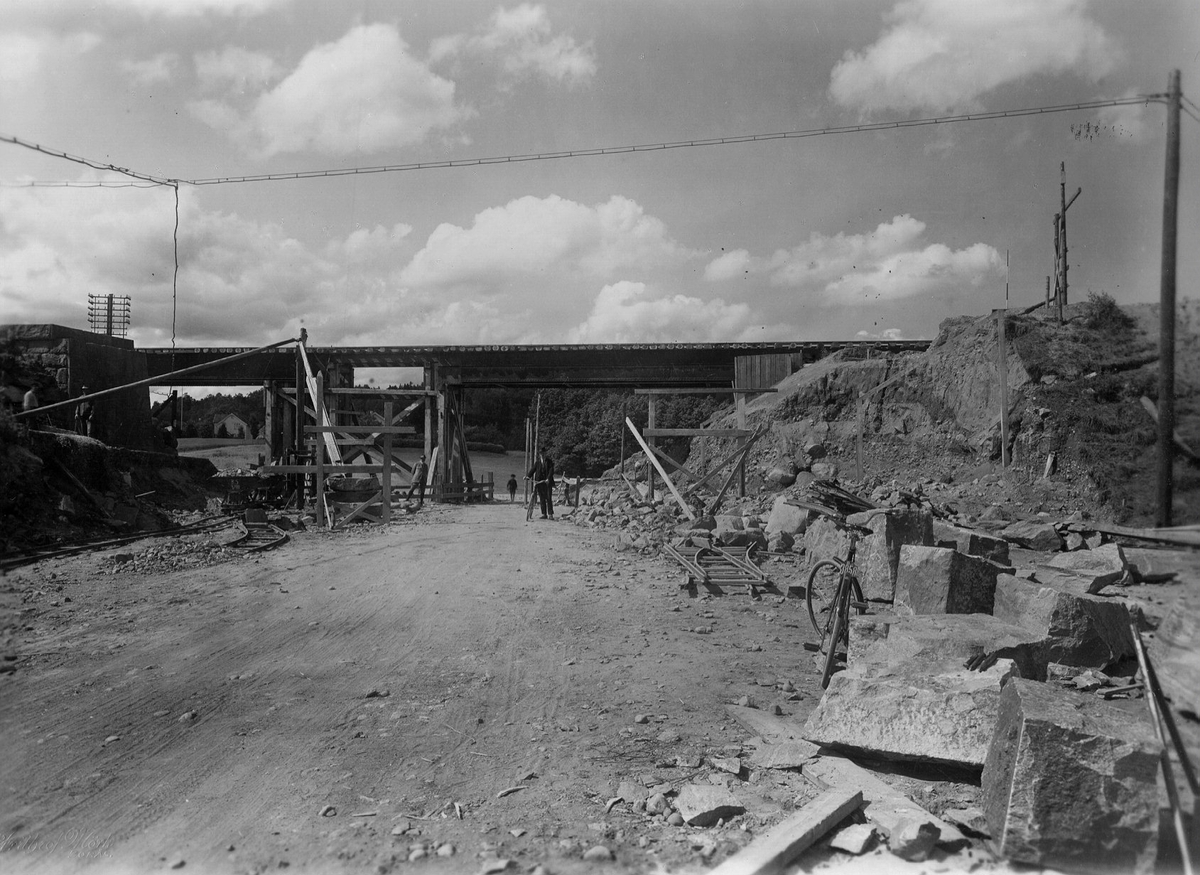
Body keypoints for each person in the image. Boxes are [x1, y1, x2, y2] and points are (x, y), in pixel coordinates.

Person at [526, 447, 555, 520]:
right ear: (539, 454)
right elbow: (533, 470)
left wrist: (548, 478)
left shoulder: (549, 462)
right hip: (539, 482)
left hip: (547, 482)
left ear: (546, 454)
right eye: (541, 454)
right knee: (542, 498)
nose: (542, 455)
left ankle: (550, 514)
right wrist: (528, 476)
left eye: (544, 453)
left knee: (548, 498)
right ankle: (544, 514)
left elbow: (551, 471)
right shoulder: (537, 462)